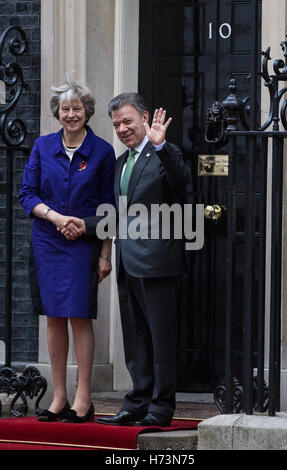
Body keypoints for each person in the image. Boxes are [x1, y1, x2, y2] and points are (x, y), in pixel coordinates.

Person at [62, 93, 191, 427]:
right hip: (128, 263)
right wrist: (83, 224)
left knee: (161, 340)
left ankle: (160, 408)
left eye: (127, 121)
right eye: (116, 124)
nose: (121, 129)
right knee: (135, 341)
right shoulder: (122, 163)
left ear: (145, 119)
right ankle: (137, 402)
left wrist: (161, 146)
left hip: (158, 263)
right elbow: (117, 215)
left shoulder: (163, 153)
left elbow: (183, 185)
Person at [19, 77, 115, 423]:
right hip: (47, 240)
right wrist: (58, 218)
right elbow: (27, 195)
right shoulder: (42, 147)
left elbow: (109, 207)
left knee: (79, 314)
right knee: (54, 315)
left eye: (77, 108)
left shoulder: (103, 151)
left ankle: (83, 398)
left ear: (86, 112)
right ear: (56, 113)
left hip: (83, 244)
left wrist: (105, 252)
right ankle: (59, 397)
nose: (71, 114)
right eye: (65, 109)